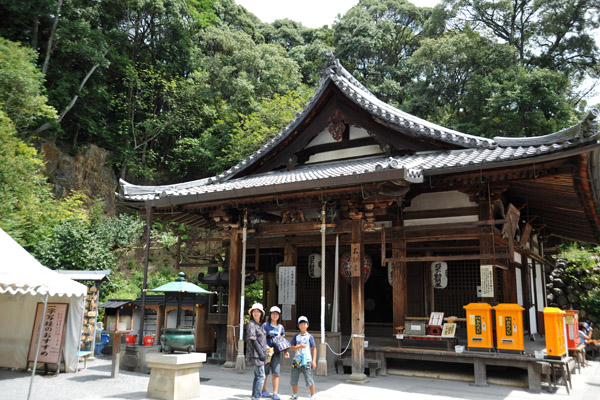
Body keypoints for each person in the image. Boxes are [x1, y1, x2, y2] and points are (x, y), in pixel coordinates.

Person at [261, 306, 289, 400]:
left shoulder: (281, 327)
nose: (275, 315)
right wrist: (266, 347)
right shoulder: (265, 325)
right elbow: (261, 338)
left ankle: (275, 393)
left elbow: (282, 341)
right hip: (267, 353)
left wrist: (285, 351)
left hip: (276, 353)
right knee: (265, 372)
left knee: (276, 373)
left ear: (279, 316)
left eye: (277, 314)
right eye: (273, 314)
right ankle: (263, 390)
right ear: (270, 315)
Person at [289, 316, 317, 400]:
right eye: (301, 324)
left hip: (307, 360)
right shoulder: (296, 336)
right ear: (298, 326)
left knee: (309, 378)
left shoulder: (310, 337)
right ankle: (294, 394)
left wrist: (314, 361)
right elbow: (292, 347)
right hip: (297, 360)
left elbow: (314, 348)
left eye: (304, 324)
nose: (303, 326)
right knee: (294, 377)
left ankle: (313, 394)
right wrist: (300, 346)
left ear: (307, 325)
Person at [246, 303, 268, 400]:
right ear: (251, 313)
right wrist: (260, 353)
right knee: (261, 376)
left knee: (257, 376)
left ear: (261, 314)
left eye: (258, 312)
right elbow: (253, 339)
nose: (256, 313)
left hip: (260, 353)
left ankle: (254, 396)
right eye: (254, 311)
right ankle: (257, 397)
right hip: (256, 354)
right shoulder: (251, 324)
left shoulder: (259, 325)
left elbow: (261, 339)